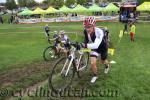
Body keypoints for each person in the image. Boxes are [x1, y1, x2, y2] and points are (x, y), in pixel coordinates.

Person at [82, 16, 110, 83]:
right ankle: (95, 75)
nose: (87, 29)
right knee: (92, 63)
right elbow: (86, 40)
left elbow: (96, 45)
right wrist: (83, 44)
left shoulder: (99, 31)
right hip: (94, 49)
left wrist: (85, 45)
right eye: (85, 27)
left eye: (89, 27)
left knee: (103, 61)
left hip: (102, 47)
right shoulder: (85, 31)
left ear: (94, 25)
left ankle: (107, 66)